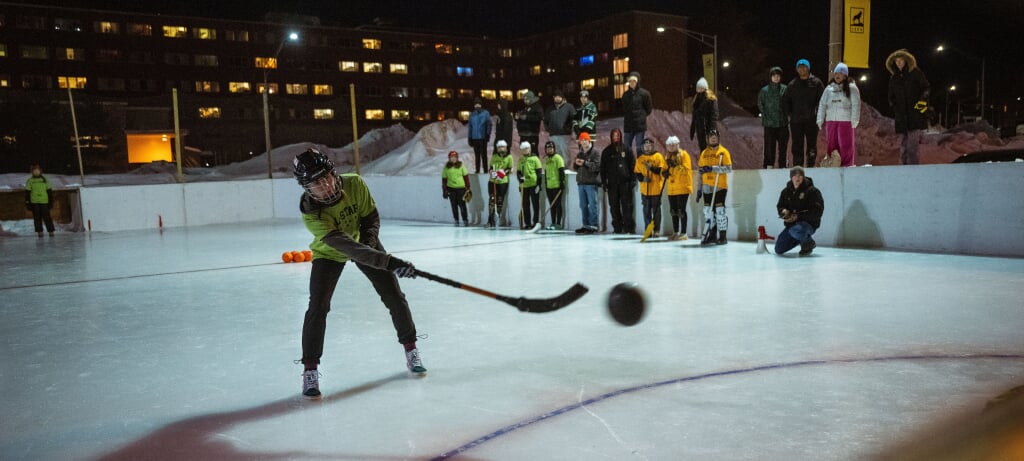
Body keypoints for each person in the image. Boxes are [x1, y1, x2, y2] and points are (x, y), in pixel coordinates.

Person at [292, 149, 424, 400]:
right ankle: (310, 369)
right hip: (330, 254)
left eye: (327, 177)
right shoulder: (311, 212)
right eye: (316, 183)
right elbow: (347, 247)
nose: (326, 185)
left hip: (365, 243)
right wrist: (389, 261)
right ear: (307, 187)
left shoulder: (355, 183)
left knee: (394, 295)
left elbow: (371, 218)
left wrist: (370, 243)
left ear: (333, 173)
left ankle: (411, 349)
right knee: (317, 307)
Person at [886, 49, 931, 165]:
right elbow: (891, 96)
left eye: (901, 60)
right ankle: (903, 171)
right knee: (902, 147)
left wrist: (921, 103)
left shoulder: (915, 73)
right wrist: (895, 106)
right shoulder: (894, 78)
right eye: (896, 61)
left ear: (906, 61)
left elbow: (926, 88)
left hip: (914, 115)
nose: (899, 63)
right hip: (901, 117)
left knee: (912, 147)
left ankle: (913, 171)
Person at [782, 59, 825, 167]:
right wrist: (789, 113)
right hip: (796, 121)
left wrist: (819, 115)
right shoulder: (792, 84)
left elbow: (823, 101)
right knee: (797, 145)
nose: (802, 69)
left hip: (811, 120)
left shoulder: (817, 83)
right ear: (797, 69)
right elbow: (786, 100)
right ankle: (798, 167)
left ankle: (810, 166)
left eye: (804, 66)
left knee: (811, 145)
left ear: (808, 68)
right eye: (799, 67)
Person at [817, 62, 861, 167]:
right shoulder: (828, 89)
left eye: (841, 73)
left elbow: (856, 104)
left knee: (845, 144)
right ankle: (833, 164)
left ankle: (847, 165)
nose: (837, 75)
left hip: (845, 121)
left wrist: (855, 120)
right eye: (836, 72)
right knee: (832, 145)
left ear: (845, 75)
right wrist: (820, 119)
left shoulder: (852, 88)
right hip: (831, 120)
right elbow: (822, 104)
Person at [775, 166, 824, 256]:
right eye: (795, 176)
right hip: (792, 225)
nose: (797, 178)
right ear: (791, 177)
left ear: (803, 177)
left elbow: (818, 211)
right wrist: (783, 212)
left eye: (800, 176)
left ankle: (808, 244)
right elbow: (780, 206)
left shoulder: (813, 191)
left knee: (797, 231)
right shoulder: (785, 192)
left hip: (808, 224)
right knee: (779, 249)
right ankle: (801, 238)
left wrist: (798, 216)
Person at [697, 129, 733, 245]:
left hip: (719, 186)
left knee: (720, 211)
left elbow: (728, 168)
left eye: (715, 136)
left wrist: (713, 168)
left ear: (718, 138)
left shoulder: (723, 152)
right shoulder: (704, 153)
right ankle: (712, 235)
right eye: (711, 136)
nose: (713, 138)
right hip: (707, 187)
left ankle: (722, 237)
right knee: (708, 212)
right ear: (707, 139)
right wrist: (699, 189)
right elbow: (700, 172)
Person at [600, 128, 637, 234]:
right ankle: (617, 228)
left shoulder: (627, 149)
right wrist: (603, 182)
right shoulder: (607, 151)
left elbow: (632, 165)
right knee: (614, 206)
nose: (616, 137)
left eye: (617, 135)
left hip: (625, 183)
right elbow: (602, 168)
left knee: (627, 206)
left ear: (620, 136)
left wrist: (633, 179)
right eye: (614, 136)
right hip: (612, 184)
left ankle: (629, 228)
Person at [633, 138, 667, 237]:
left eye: (649, 145)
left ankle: (656, 230)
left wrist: (651, 168)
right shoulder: (640, 159)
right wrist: (643, 179)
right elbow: (637, 173)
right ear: (643, 147)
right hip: (645, 190)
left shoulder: (658, 156)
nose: (647, 147)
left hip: (656, 189)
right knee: (646, 210)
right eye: (645, 145)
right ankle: (648, 229)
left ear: (652, 146)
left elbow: (660, 170)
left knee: (656, 211)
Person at [758, 66, 789, 169]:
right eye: (774, 75)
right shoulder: (764, 90)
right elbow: (760, 103)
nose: (776, 77)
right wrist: (766, 113)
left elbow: (789, 103)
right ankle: (768, 166)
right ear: (770, 77)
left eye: (778, 75)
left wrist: (787, 113)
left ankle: (782, 166)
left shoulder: (785, 89)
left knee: (783, 148)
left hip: (782, 123)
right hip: (769, 124)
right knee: (769, 148)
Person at [663, 136, 693, 240]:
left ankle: (684, 233)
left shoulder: (684, 155)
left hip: (682, 187)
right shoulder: (667, 156)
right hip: (672, 188)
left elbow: (686, 169)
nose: (671, 147)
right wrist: (664, 173)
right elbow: (664, 168)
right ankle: (675, 232)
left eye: (673, 145)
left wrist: (675, 166)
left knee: (681, 210)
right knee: (673, 211)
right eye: (669, 145)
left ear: (677, 144)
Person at [572, 132, 602, 234]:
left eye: (585, 140)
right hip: (581, 183)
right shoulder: (580, 153)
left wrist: (585, 163)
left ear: (589, 141)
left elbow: (597, 167)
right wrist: (576, 164)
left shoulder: (595, 153)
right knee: (583, 205)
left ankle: (593, 225)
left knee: (592, 205)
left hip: (591, 183)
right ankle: (585, 225)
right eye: (582, 140)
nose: (584, 142)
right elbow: (575, 167)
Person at [621, 71, 653, 156]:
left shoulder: (645, 94)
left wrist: (642, 116)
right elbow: (623, 108)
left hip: (639, 125)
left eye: (634, 81)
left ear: (637, 81)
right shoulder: (625, 95)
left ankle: (640, 166)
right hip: (628, 125)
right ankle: (628, 166)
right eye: (630, 81)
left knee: (640, 147)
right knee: (626, 147)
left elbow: (649, 108)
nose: (632, 83)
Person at [487, 140, 514, 227]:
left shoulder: (509, 157)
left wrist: (502, 173)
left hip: (503, 181)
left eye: (503, 147)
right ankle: (490, 220)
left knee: (499, 200)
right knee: (492, 199)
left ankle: (498, 219)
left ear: (505, 148)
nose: (501, 148)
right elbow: (491, 167)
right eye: (499, 147)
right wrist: (492, 172)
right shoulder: (494, 156)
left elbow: (510, 168)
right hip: (493, 181)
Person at [517, 141, 543, 229]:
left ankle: (535, 222)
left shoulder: (535, 159)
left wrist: (539, 185)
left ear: (530, 149)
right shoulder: (520, 160)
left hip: (533, 184)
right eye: (523, 149)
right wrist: (520, 179)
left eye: (526, 149)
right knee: (525, 205)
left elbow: (539, 172)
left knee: (535, 204)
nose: (525, 150)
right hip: (524, 186)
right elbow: (518, 172)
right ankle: (527, 223)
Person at [544, 89, 576, 159]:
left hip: (565, 135)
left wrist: (569, 128)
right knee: (555, 153)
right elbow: (545, 120)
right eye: (555, 97)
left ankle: (566, 168)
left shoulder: (569, 107)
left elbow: (574, 119)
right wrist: (548, 128)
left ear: (562, 97)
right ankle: (558, 168)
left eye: (559, 97)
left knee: (565, 153)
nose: (557, 98)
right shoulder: (550, 108)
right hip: (553, 135)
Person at [24, 164, 55, 238]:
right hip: (34, 202)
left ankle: (51, 231)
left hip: (44, 201)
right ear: (32, 172)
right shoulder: (30, 181)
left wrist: (51, 201)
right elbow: (27, 193)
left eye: (37, 171)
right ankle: (40, 232)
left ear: (40, 171)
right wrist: (27, 202)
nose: (36, 172)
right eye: (34, 171)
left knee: (47, 217)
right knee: (37, 217)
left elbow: (49, 191)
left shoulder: (45, 180)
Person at [441, 150, 470, 226]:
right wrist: (444, 190)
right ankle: (456, 220)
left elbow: (466, 177)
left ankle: (465, 220)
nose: (453, 159)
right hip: (451, 189)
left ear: (457, 158)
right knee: (453, 205)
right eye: (451, 157)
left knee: (462, 205)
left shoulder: (461, 165)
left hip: (461, 188)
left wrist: (468, 188)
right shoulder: (446, 167)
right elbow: (444, 179)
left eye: (454, 157)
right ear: (449, 158)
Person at [690, 77, 719, 153]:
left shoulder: (711, 99)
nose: (699, 90)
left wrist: (712, 131)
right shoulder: (697, 99)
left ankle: (711, 164)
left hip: (708, 129)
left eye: (700, 88)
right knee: (703, 150)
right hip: (700, 129)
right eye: (698, 88)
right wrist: (692, 129)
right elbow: (695, 116)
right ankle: (704, 164)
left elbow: (714, 116)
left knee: (711, 150)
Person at [543, 140, 567, 230]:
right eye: (548, 149)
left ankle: (558, 223)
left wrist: (562, 183)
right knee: (551, 205)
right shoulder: (547, 160)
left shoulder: (558, 158)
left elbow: (561, 171)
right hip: (549, 186)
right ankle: (553, 223)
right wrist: (545, 184)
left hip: (557, 186)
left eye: (551, 148)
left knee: (558, 205)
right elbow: (546, 173)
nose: (549, 150)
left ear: (554, 149)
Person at [467, 98, 492, 174]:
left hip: (483, 137)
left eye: (478, 104)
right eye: (475, 104)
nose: (477, 106)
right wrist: (470, 137)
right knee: (477, 156)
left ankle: (485, 170)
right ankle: (477, 170)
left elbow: (489, 124)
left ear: (481, 105)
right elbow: (470, 127)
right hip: (475, 138)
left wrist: (487, 134)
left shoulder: (486, 113)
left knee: (484, 155)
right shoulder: (472, 114)